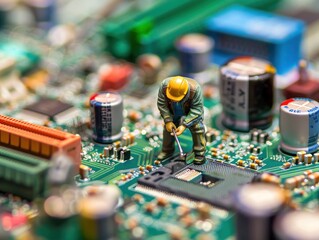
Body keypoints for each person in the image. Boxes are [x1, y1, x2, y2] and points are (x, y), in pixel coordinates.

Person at [157, 76, 206, 164]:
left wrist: (184, 125)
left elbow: (197, 110)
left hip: (190, 112)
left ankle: (199, 154)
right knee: (168, 129)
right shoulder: (164, 86)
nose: (172, 99)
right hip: (172, 110)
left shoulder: (195, 90)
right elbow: (162, 104)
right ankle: (167, 150)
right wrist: (168, 120)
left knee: (198, 128)